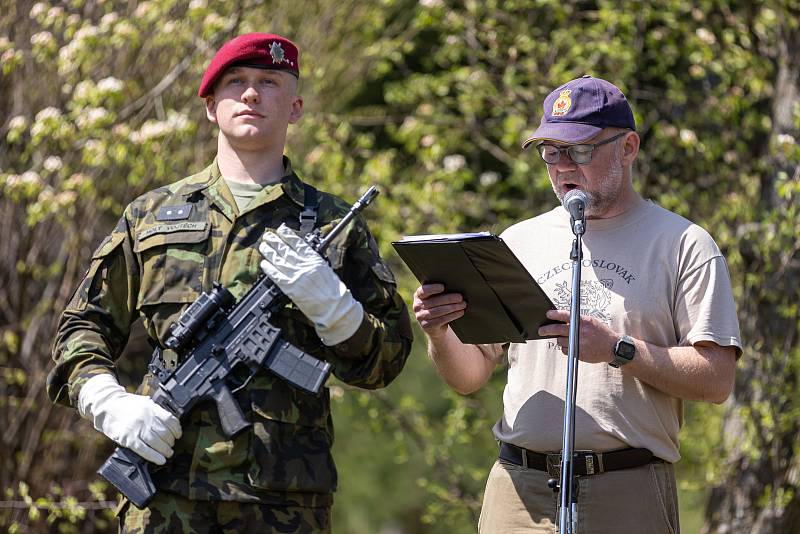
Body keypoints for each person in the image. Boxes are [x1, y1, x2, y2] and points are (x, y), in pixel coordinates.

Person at [47, 33, 413, 533]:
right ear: (210, 108)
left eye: (269, 82)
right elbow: (82, 327)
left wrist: (337, 312)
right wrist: (107, 401)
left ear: (296, 107)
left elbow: (385, 360)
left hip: (285, 508)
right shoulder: (151, 216)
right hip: (165, 499)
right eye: (235, 82)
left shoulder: (332, 226)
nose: (251, 94)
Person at [413, 75, 741, 533]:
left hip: (627, 487)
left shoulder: (683, 244)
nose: (563, 166)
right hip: (518, 489)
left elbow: (717, 379)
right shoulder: (519, 241)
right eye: (551, 152)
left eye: (580, 150)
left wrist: (617, 350)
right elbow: (468, 376)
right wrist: (438, 332)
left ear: (628, 147)